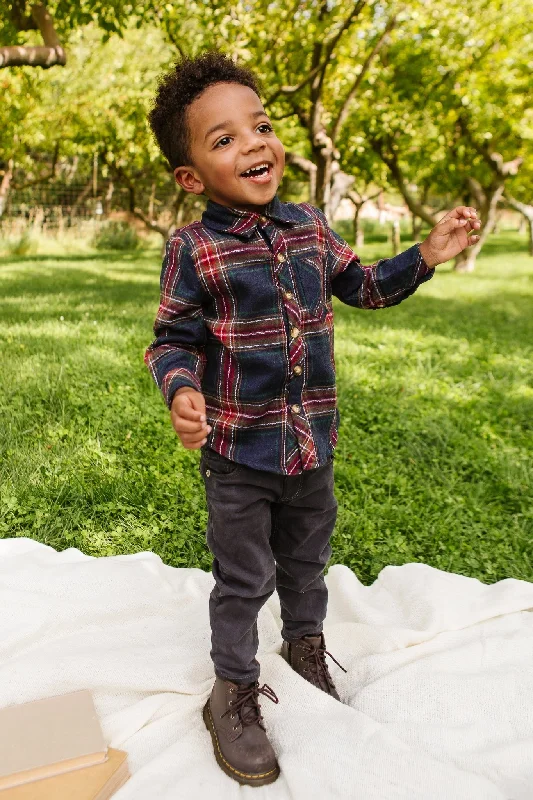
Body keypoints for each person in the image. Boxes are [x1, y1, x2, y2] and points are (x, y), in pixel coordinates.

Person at [144, 51, 481, 787]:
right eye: (224, 138)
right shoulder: (193, 249)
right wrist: (179, 390)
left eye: (259, 125)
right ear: (190, 176)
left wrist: (424, 254)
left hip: (309, 444)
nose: (255, 143)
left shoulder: (309, 226)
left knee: (304, 564)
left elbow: (361, 286)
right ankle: (232, 689)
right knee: (243, 577)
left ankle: (303, 647)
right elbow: (171, 338)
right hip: (236, 452)